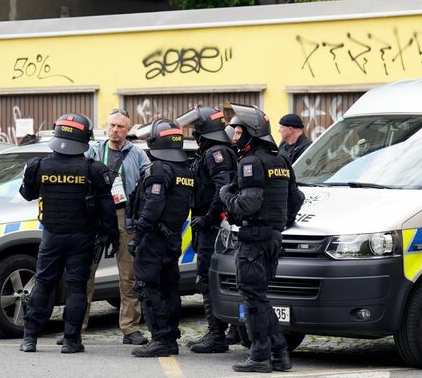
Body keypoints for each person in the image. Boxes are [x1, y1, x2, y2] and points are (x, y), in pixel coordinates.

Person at [18, 113, 119, 353]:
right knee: (76, 288)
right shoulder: (93, 169)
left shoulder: (38, 166)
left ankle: (29, 338)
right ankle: (71, 340)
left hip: (51, 235)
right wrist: (112, 235)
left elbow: (27, 194)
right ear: (85, 137)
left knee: (43, 284)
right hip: (81, 237)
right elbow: (107, 209)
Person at [219, 103, 304, 373]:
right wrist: (280, 224)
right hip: (272, 239)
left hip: (254, 240)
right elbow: (296, 199)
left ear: (251, 132)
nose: (233, 136)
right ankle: (279, 353)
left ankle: (259, 356)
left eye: (237, 131)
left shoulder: (251, 162)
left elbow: (248, 205)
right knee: (260, 297)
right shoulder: (281, 160)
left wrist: (226, 195)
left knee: (253, 299)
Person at [67, 108, 149, 346]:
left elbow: (148, 184)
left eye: (121, 127)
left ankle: (130, 328)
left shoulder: (138, 154)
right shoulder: (93, 151)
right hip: (94, 215)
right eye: (112, 125)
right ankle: (75, 328)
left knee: (129, 275)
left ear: (128, 129)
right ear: (106, 126)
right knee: (84, 274)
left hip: (125, 216)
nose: (116, 130)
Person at [127, 119, 194, 357]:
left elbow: (154, 205)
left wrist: (138, 235)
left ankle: (161, 339)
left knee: (146, 286)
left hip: (154, 238)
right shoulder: (184, 170)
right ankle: (171, 336)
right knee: (169, 289)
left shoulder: (159, 169)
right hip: (173, 237)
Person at [177, 105, 237, 353]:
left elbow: (222, 190)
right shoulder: (213, 151)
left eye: (195, 129)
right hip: (211, 224)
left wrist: (209, 218)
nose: (193, 133)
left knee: (208, 278)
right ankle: (231, 330)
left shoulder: (216, 153)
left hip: (213, 226)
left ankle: (216, 334)